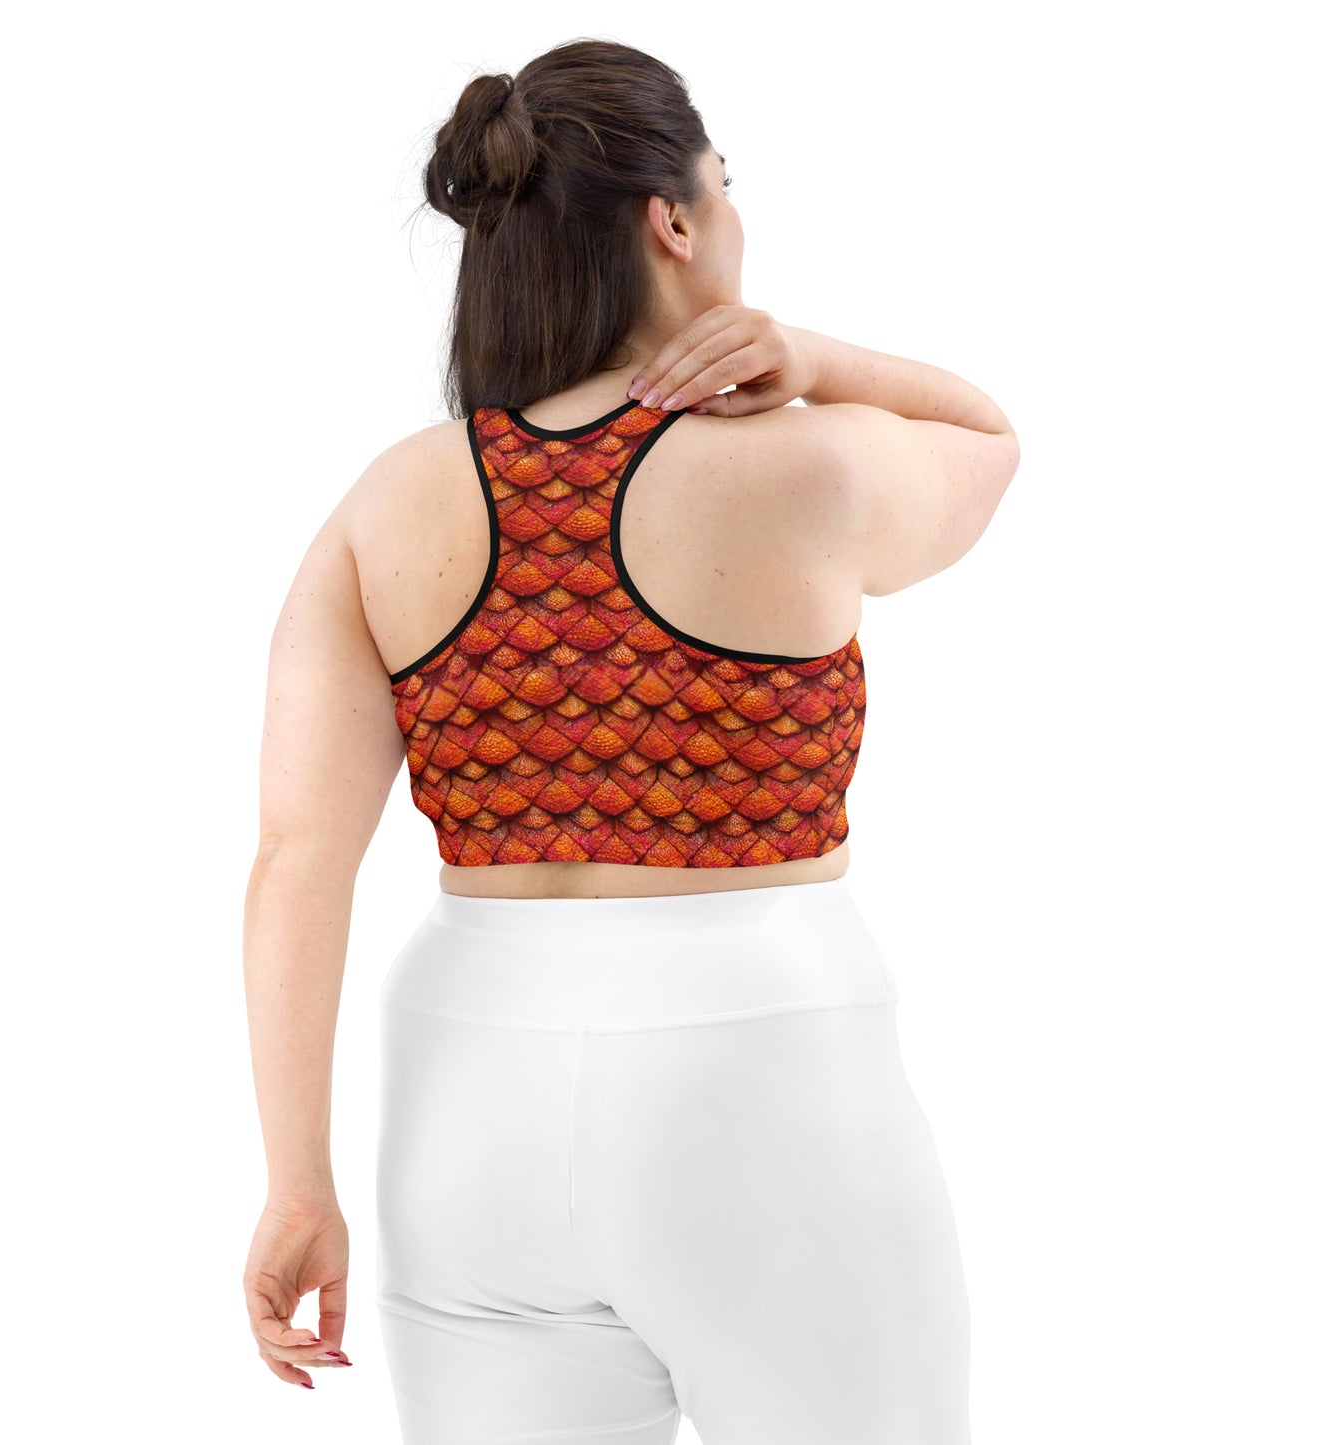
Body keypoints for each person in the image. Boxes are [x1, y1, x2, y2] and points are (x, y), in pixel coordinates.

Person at [241, 36, 1019, 1445]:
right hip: (761, 1069)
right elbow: (986, 441)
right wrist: (811, 355)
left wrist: (299, 1184)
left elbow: (298, 857)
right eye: (725, 182)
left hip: (466, 1095)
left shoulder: (387, 503)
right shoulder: (808, 464)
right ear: (673, 221)